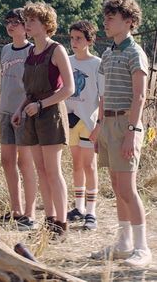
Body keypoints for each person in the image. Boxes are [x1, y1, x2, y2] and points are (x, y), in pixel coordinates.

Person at [92, 0, 152, 268]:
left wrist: (131, 130)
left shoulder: (135, 53)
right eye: (105, 17)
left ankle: (143, 248)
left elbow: (140, 97)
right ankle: (124, 243)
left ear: (129, 22)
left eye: (112, 18)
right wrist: (100, 127)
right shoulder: (107, 53)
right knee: (117, 187)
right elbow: (104, 94)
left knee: (128, 188)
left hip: (127, 124)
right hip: (108, 124)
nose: (106, 22)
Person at [12, 1, 75, 236]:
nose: (27, 24)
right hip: (32, 112)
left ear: (46, 24)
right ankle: (49, 222)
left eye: (32, 20)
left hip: (51, 114)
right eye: (26, 20)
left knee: (53, 170)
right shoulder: (30, 51)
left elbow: (68, 89)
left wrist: (40, 105)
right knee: (40, 170)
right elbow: (29, 91)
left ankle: (62, 224)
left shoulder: (56, 49)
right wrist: (20, 109)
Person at [0, 8, 37, 230]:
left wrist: (22, 109)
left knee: (24, 162)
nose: (10, 26)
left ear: (25, 26)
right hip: (7, 112)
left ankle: (30, 214)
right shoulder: (6, 50)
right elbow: (2, 85)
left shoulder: (32, 51)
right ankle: (16, 211)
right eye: (7, 22)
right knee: (7, 161)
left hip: (24, 113)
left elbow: (32, 87)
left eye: (15, 22)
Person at [66, 20, 104, 230]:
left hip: (89, 121)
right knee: (76, 164)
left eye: (79, 38)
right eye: (72, 38)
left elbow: (103, 97)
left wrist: (99, 124)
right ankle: (78, 207)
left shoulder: (97, 64)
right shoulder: (67, 61)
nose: (74, 42)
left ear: (89, 40)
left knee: (90, 165)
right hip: (70, 121)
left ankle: (91, 211)